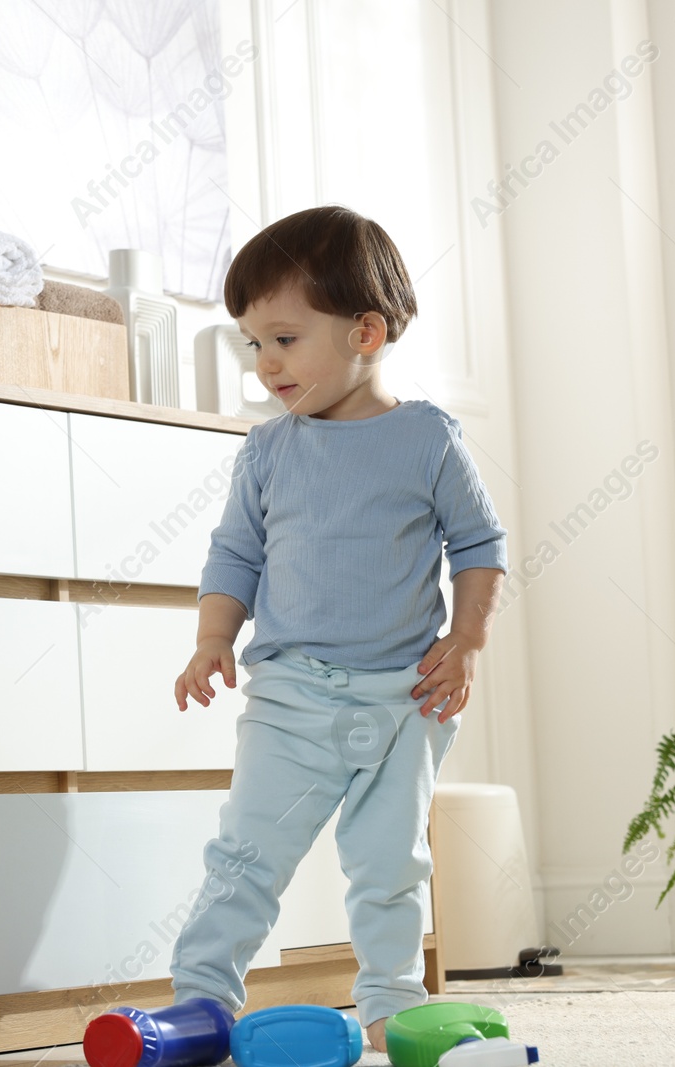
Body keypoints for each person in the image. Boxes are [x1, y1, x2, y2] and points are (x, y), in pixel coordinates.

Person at [169, 204, 509, 1052]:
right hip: (290, 695)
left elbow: (479, 545)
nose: (265, 364)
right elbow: (233, 555)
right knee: (245, 856)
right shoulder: (268, 451)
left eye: (284, 339)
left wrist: (465, 641)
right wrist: (214, 637)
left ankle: (392, 1001)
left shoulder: (427, 439)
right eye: (253, 343)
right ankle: (203, 996)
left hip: (406, 699)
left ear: (365, 331)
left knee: (391, 866)